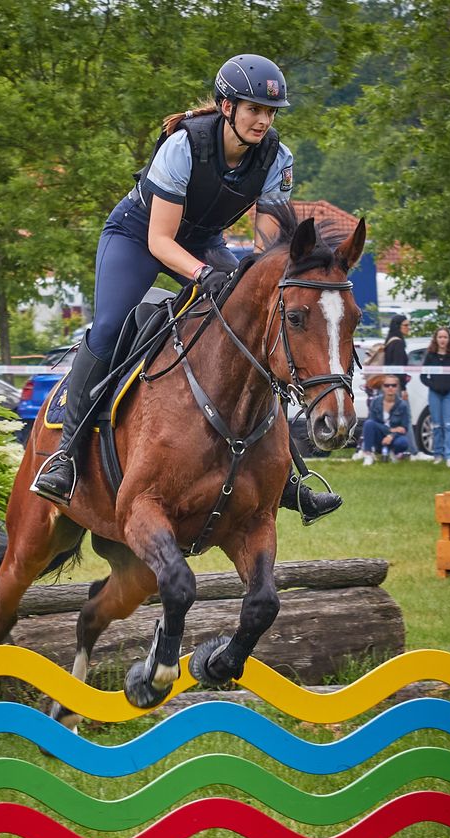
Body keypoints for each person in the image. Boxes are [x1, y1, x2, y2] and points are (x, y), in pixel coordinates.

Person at [34, 54, 342, 524]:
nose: (264, 119)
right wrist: (203, 275)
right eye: (254, 109)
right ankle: (67, 455)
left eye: (270, 112)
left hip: (201, 241)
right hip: (137, 237)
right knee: (112, 326)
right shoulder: (182, 146)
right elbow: (160, 241)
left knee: (257, 324)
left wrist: (259, 284)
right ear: (226, 106)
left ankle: (290, 475)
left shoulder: (277, 157)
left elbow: (267, 246)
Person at [419, 327, 450, 467]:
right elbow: (423, 376)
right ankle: (437, 454)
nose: (443, 340)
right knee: (436, 425)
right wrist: (433, 385)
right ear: (436, 339)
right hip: (434, 394)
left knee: (448, 425)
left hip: (449, 394)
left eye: (445, 337)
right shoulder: (430, 356)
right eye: (440, 337)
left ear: (449, 340)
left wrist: (449, 386)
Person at [383, 314, 422, 457]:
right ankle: (413, 450)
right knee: (406, 418)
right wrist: (404, 389)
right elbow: (398, 369)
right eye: (406, 325)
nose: (408, 328)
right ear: (398, 327)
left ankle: (395, 451)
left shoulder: (390, 341)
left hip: (388, 386)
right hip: (397, 387)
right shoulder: (398, 343)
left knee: (392, 419)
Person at [361, 376, 411, 465]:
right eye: (387, 385)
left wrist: (391, 435)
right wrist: (391, 430)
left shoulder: (402, 405)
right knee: (368, 424)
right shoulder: (375, 402)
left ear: (397, 387)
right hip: (379, 436)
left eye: (393, 385)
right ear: (382, 387)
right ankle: (368, 455)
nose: (390, 388)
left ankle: (393, 452)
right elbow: (372, 422)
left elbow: (404, 428)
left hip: (395, 437)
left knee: (403, 442)